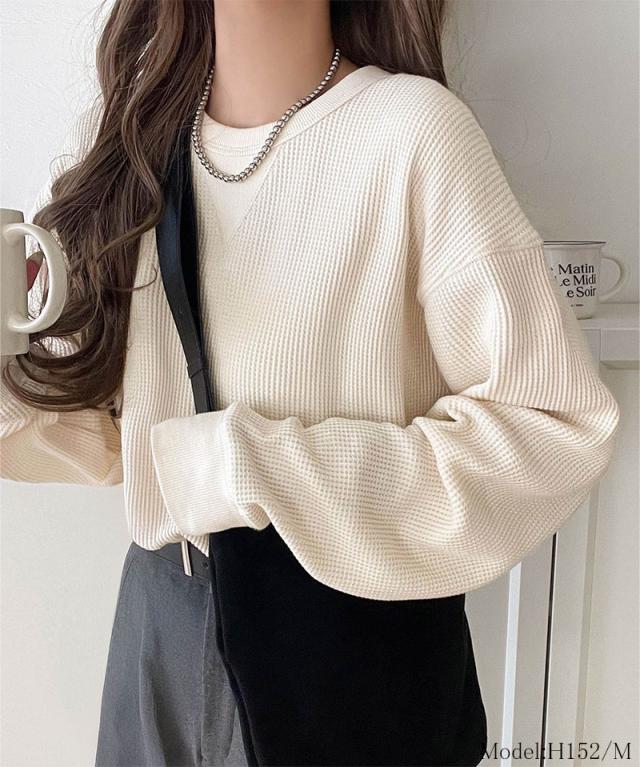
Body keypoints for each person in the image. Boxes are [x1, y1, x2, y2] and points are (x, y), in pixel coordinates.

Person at [0, 1, 621, 765]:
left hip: (334, 643)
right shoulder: (140, 146)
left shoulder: (413, 133)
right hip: (158, 624)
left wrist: (248, 464)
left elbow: (556, 427)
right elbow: (111, 436)